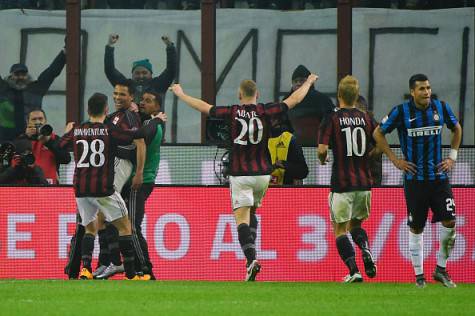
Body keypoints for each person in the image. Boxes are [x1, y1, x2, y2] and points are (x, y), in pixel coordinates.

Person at [171, 73, 318, 281]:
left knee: (241, 219)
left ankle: (251, 260)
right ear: (257, 94)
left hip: (240, 173)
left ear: (240, 95)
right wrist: (309, 82)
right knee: (252, 213)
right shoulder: (267, 111)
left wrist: (181, 94)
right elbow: (294, 99)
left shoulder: (232, 112)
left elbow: (203, 107)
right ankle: (252, 256)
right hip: (263, 175)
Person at [59, 92, 163, 280]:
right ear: (106, 110)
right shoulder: (108, 131)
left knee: (89, 228)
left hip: (81, 190)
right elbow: (137, 135)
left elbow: (59, 146)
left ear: (88, 110)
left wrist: (64, 132)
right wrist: (155, 121)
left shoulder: (77, 131)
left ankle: (85, 269)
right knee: (125, 226)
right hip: (102, 188)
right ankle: (132, 274)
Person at [373, 73, 462, 288]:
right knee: (416, 228)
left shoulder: (441, 108)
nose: (427, 92)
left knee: (450, 221)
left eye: (428, 88)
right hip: (414, 180)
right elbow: (378, 133)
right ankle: (419, 276)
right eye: (422, 89)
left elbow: (456, 128)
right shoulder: (401, 112)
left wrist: (452, 157)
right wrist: (395, 159)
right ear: (412, 92)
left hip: (439, 178)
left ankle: (441, 269)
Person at [318, 75, 378, 283]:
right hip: (364, 183)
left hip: (342, 183)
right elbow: (380, 142)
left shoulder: (332, 118)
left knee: (340, 229)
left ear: (339, 95)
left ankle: (354, 271)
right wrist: (368, 155)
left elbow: (322, 149)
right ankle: (365, 248)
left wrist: (323, 158)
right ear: (356, 95)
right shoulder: (367, 118)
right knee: (357, 226)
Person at [122, 89, 165, 280]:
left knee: (132, 226)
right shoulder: (150, 122)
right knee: (128, 225)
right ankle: (136, 269)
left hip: (138, 182)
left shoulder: (152, 125)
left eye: (148, 101)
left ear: (157, 107)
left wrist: (155, 119)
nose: (142, 103)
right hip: (142, 181)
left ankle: (145, 269)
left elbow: (139, 136)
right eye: (142, 100)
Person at [0, 47, 66, 141]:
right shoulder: (3, 89)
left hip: (32, 139)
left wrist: (64, 54)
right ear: (11, 76)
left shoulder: (35, 89)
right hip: (6, 139)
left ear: (27, 75)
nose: (20, 77)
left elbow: (51, 72)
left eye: (23, 74)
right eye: (17, 75)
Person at [104, 33, 177, 105]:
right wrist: (110, 46)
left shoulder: (159, 85)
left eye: (144, 73)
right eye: (137, 73)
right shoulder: (126, 86)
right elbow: (110, 70)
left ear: (151, 74)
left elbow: (171, 69)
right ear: (132, 74)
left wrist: (170, 46)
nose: (141, 76)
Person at [14, 109, 71, 184]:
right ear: (28, 122)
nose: (38, 122)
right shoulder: (22, 139)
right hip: (27, 185)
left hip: (50, 184)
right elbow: (16, 161)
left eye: (40, 119)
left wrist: (49, 142)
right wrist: (26, 137)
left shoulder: (54, 138)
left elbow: (66, 159)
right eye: (34, 119)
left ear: (45, 121)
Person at [283, 64, 335, 146]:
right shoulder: (286, 101)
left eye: (301, 80)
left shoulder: (322, 100)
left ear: (309, 82)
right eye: (295, 81)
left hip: (318, 148)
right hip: (293, 148)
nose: (298, 84)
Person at [268, 113, 308, 185]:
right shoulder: (257, 139)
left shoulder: (290, 139)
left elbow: (302, 171)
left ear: (278, 120)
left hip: (285, 190)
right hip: (260, 189)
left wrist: (283, 164)